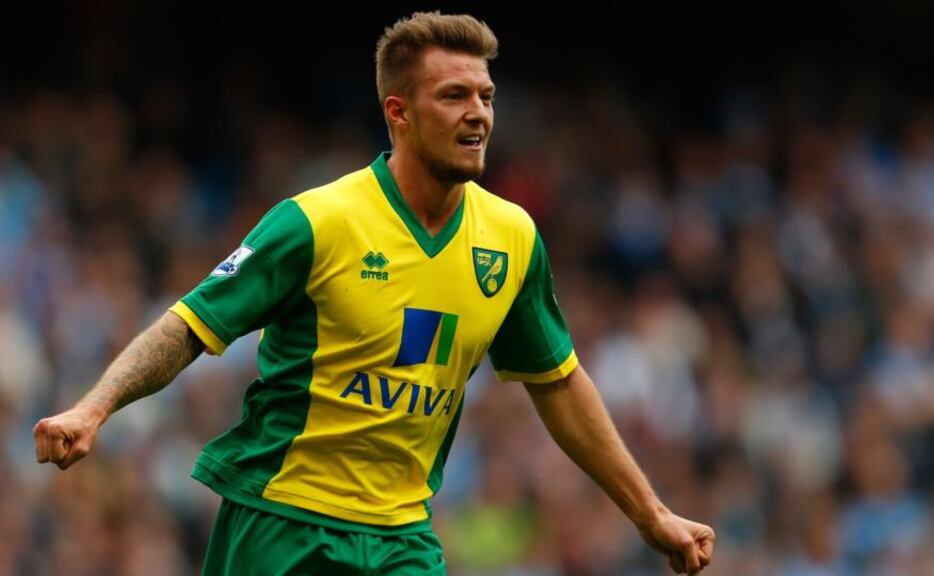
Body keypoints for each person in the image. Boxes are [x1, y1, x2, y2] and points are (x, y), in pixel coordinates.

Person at [33, 11, 715, 575]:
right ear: (400, 112)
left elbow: (559, 384)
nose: (478, 113)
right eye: (454, 96)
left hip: (402, 540)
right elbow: (189, 324)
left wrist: (650, 514)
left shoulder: (511, 237)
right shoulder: (318, 221)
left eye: (486, 96)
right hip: (282, 523)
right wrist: (94, 408)